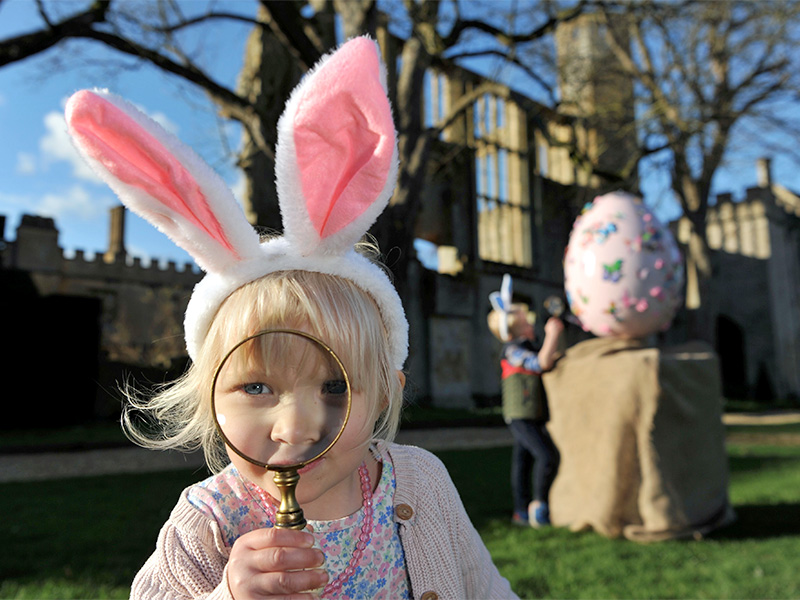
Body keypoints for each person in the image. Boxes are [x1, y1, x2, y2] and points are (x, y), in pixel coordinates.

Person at [65, 37, 517, 599]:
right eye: (256, 386)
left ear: (382, 394)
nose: (298, 427)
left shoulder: (422, 483)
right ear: (209, 397)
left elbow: (486, 588)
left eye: (337, 387)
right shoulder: (206, 526)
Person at [488, 275, 563, 528]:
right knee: (546, 456)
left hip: (531, 412)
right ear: (513, 329)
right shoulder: (513, 350)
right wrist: (553, 335)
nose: (530, 324)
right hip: (521, 414)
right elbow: (541, 363)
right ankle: (539, 506)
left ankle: (520, 511)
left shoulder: (528, 345)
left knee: (523, 461)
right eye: (524, 322)